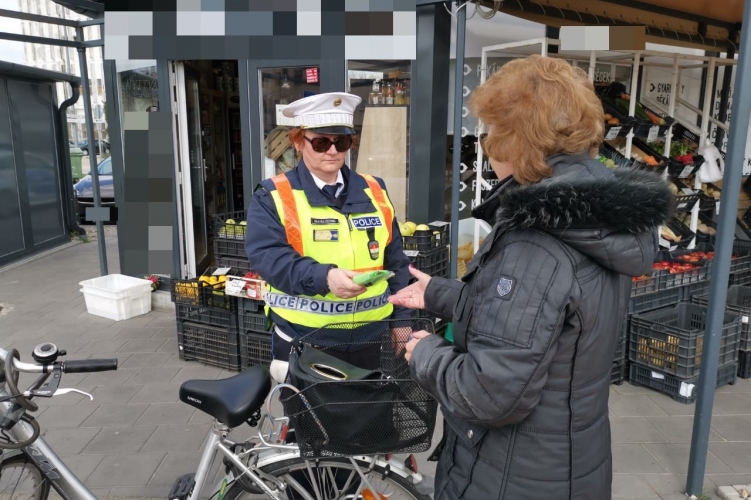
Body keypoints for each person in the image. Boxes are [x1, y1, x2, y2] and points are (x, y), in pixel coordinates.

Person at [389, 55, 674, 499]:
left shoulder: (536, 239)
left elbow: (488, 394)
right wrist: (441, 294)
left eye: (491, 131)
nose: (487, 145)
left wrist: (424, 351)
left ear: (515, 139)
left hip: (509, 475)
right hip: (568, 461)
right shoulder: (597, 218)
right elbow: (543, 324)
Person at [245, 91, 413, 366]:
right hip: (303, 338)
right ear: (298, 142)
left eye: (342, 142)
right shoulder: (272, 195)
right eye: (321, 142)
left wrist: (402, 320)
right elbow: (269, 258)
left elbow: (395, 260)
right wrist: (325, 277)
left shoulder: (375, 189)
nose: (333, 151)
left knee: (372, 397)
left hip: (372, 337)